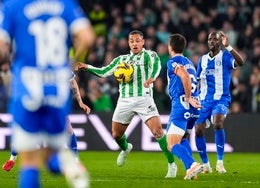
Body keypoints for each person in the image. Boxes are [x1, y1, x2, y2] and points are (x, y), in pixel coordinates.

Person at [0, 0, 95, 188]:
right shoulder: (65, 5)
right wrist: (73, 60)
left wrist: (5, 58)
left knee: (29, 160)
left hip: (28, 90)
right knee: (51, 154)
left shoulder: (12, 6)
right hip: (56, 91)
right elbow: (87, 37)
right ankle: (68, 165)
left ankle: (62, 163)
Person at [76, 30, 178, 178]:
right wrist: (87, 66)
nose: (135, 43)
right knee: (116, 135)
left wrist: (151, 78)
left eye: (137, 40)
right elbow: (104, 71)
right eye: (132, 41)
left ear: (143, 42)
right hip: (125, 100)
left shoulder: (150, 55)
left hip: (144, 98)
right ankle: (125, 148)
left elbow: (156, 67)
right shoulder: (121, 60)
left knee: (158, 132)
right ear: (129, 43)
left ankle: (171, 164)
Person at [2, 74, 91, 172]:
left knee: (68, 129)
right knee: (22, 129)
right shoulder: (33, 64)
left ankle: (75, 161)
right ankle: (12, 159)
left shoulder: (59, 62)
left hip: (53, 102)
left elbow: (72, 82)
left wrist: (80, 102)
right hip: (34, 102)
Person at [194, 31, 245, 174]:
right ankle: (205, 165)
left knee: (218, 122)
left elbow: (241, 62)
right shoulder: (202, 60)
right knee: (198, 131)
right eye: (209, 39)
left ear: (220, 42)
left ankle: (220, 163)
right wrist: (194, 97)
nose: (211, 41)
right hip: (204, 100)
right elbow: (197, 80)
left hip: (221, 98)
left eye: (215, 39)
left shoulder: (226, 56)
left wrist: (228, 46)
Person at [165, 33, 203, 180]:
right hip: (194, 107)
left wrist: (187, 97)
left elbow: (185, 76)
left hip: (182, 105)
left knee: (171, 144)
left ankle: (192, 164)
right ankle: (191, 169)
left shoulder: (173, 61)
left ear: (170, 47)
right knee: (182, 139)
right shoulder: (189, 61)